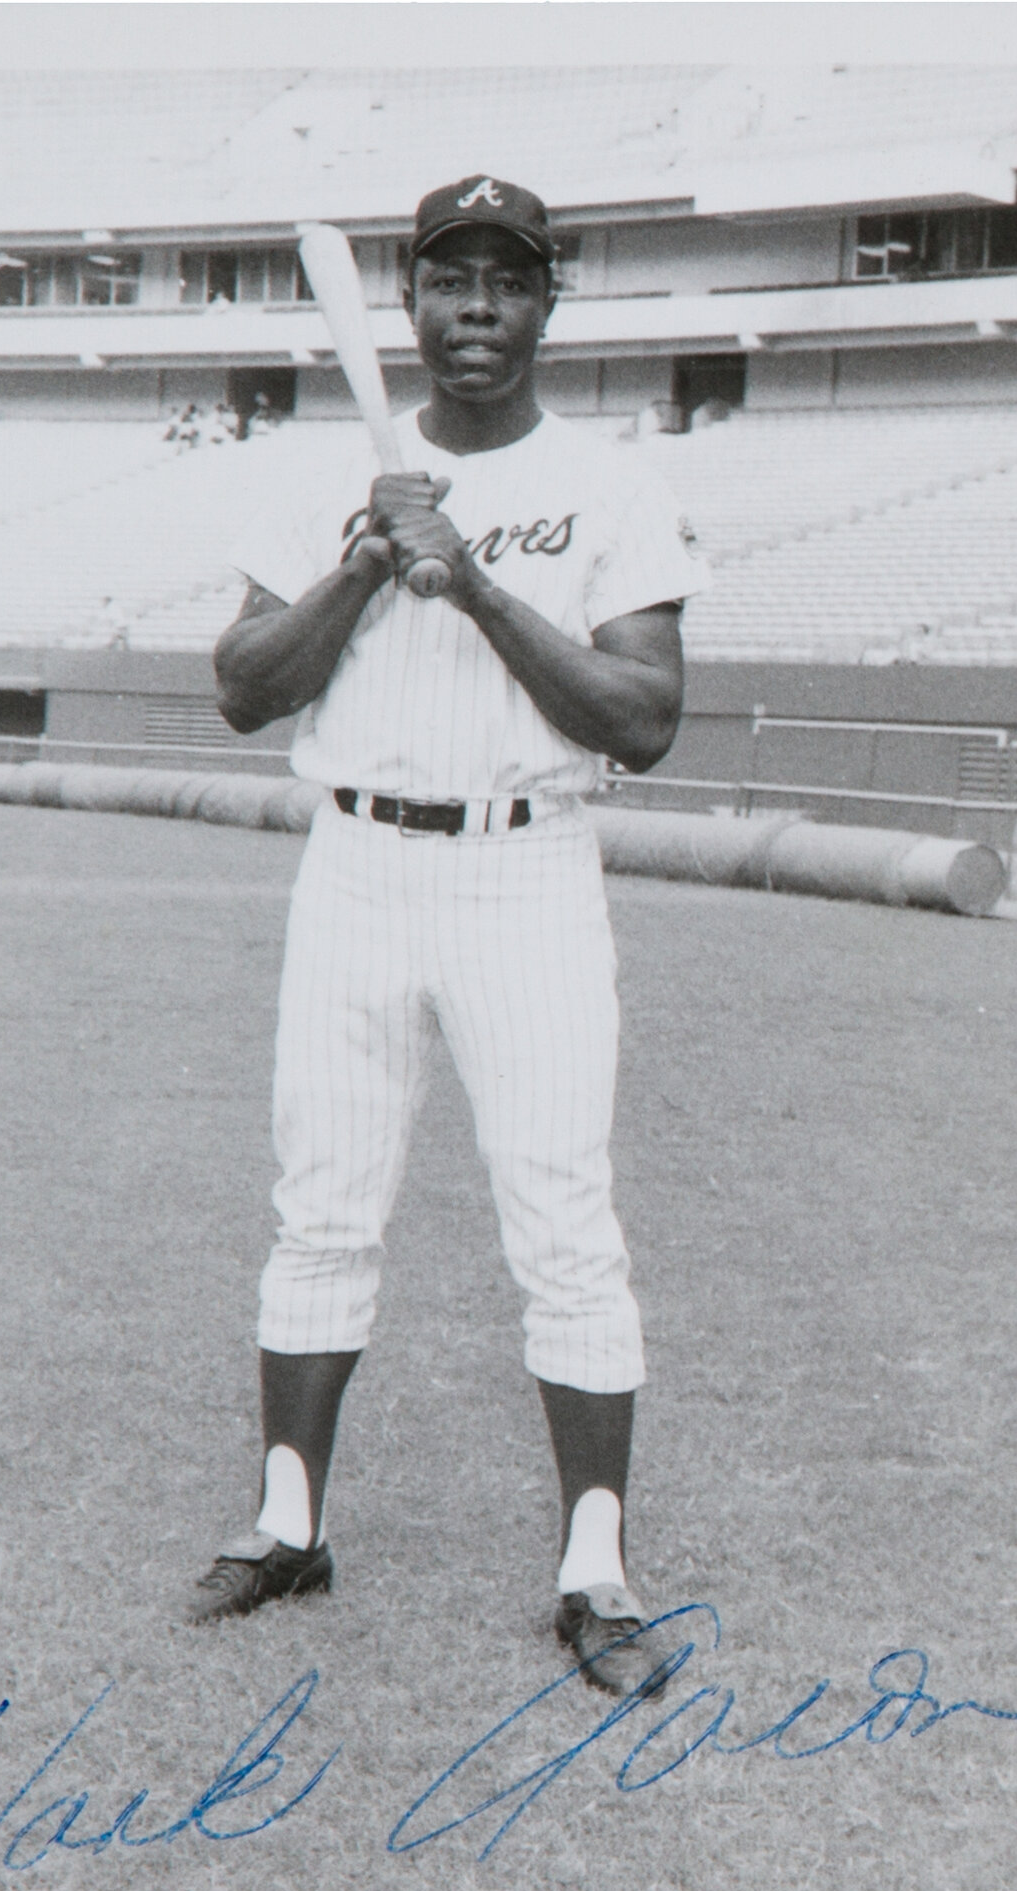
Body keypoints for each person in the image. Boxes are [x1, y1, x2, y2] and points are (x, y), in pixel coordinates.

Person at [204, 174, 708, 1697]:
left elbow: (647, 717)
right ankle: (291, 1522)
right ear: (411, 304)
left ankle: (596, 1569)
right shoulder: (327, 484)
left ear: (548, 305)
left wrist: (472, 582)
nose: (473, 308)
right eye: (446, 281)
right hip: (355, 861)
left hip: (525, 871)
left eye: (507, 281)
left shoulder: (612, 484)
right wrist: (366, 561)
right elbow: (241, 684)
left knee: (563, 1216)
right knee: (324, 1201)